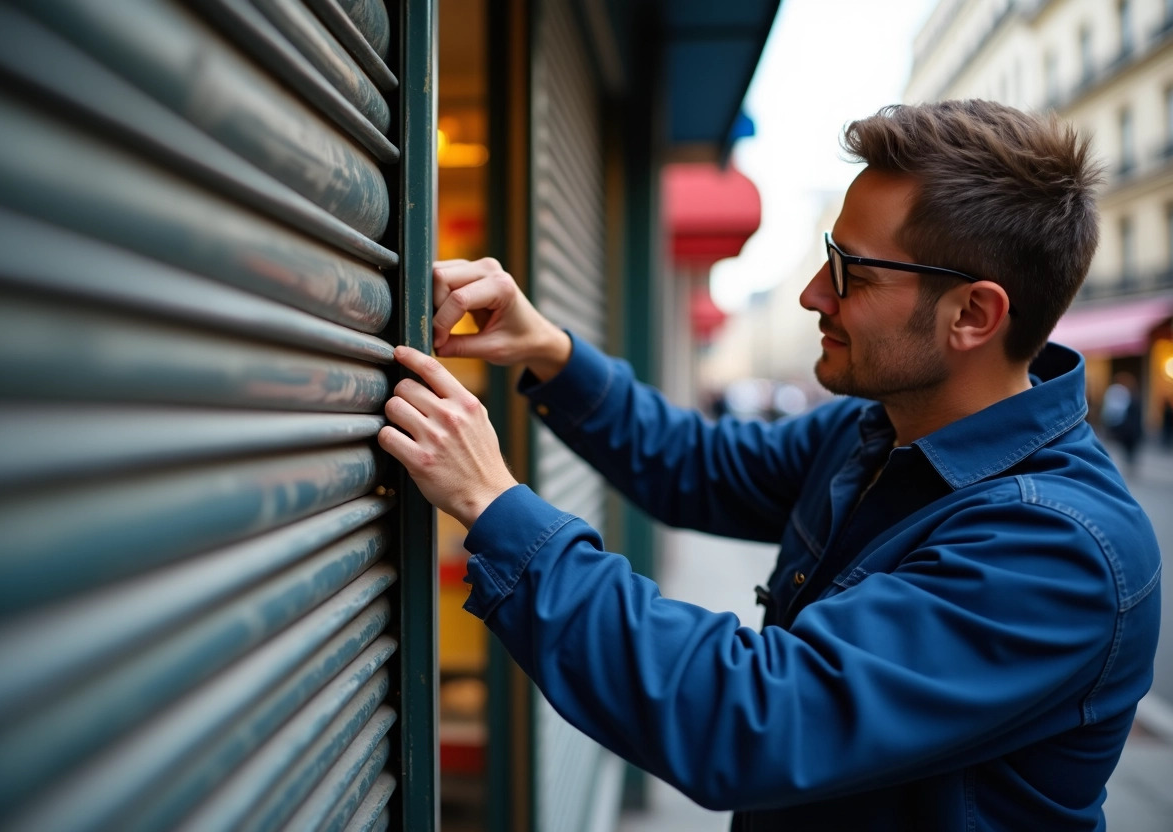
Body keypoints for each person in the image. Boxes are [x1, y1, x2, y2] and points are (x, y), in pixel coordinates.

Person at [377, 101, 1161, 830]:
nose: (814, 295)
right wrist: (548, 350)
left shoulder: (1057, 552)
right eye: (828, 258)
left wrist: (495, 504)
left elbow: (749, 718)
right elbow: (697, 464)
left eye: (852, 271)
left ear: (974, 316)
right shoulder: (878, 430)